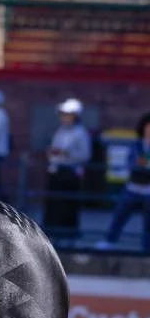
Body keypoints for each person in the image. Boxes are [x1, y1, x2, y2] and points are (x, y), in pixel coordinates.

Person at [97, 112, 150, 254]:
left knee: (148, 224)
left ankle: (146, 249)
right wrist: (140, 165)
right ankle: (110, 241)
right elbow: (131, 163)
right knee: (120, 216)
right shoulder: (136, 145)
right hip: (133, 188)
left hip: (148, 191)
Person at [43, 98, 91, 239]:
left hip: (70, 173)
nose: (64, 118)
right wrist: (52, 153)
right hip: (56, 171)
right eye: (63, 115)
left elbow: (85, 155)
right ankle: (52, 231)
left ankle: (68, 233)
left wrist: (68, 154)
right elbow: (55, 147)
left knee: (68, 206)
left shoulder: (81, 133)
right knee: (54, 204)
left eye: (67, 115)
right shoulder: (60, 131)